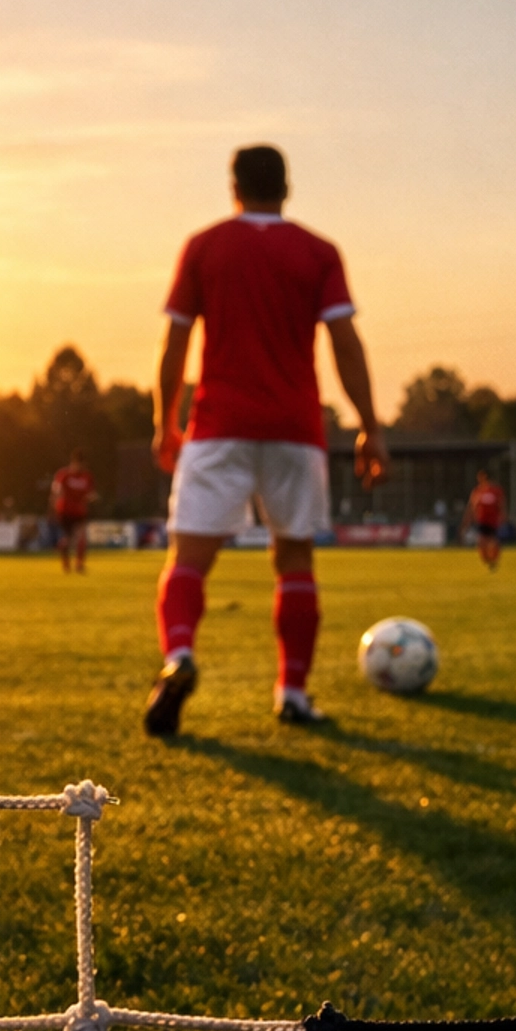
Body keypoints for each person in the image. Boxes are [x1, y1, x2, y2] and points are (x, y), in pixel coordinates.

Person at [144, 144, 388, 735]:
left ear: (234, 186)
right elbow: (345, 342)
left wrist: (165, 422)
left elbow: (174, 343)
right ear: (287, 188)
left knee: (190, 560)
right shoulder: (318, 251)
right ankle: (294, 694)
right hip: (294, 428)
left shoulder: (204, 246)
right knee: (295, 560)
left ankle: (179, 656)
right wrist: (369, 424)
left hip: (218, 424)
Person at [51, 449, 96, 573]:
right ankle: (65, 560)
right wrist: (54, 505)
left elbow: (90, 493)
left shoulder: (87, 476)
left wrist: (91, 497)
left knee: (81, 536)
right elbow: (56, 490)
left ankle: (79, 564)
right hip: (65, 510)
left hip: (80, 511)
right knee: (68, 539)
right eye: (77, 463)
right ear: (73, 462)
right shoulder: (64, 475)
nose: (79, 466)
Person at [462, 467, 506, 571]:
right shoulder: (477, 491)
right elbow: (472, 506)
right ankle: (487, 560)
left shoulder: (496, 491)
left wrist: (502, 516)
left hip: (493, 520)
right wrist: (469, 519)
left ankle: (494, 559)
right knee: (482, 542)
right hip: (482, 520)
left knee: (493, 541)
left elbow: (501, 504)